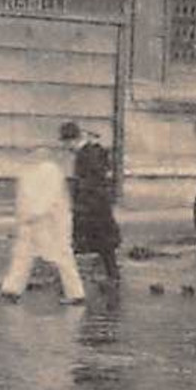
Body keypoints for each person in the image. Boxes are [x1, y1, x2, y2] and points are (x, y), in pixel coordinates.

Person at [0, 145, 86, 305]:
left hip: (49, 222)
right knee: (24, 254)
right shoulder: (31, 171)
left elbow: (48, 197)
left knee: (59, 255)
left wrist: (32, 214)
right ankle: (11, 288)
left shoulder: (48, 171)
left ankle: (76, 292)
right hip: (35, 220)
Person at [61, 121, 122, 284]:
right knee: (103, 244)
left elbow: (91, 181)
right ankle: (111, 275)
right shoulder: (91, 152)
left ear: (72, 140)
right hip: (96, 205)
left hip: (91, 206)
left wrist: (80, 202)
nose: (67, 147)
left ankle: (69, 281)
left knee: (81, 242)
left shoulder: (86, 155)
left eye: (66, 143)